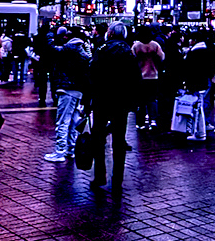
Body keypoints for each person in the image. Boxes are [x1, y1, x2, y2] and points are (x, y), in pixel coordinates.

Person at [85, 21, 142, 190]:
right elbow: (135, 79)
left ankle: (99, 176)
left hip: (101, 100)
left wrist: (88, 100)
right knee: (119, 140)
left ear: (109, 34)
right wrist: (134, 102)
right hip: (121, 102)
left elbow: (91, 76)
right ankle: (117, 179)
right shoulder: (128, 53)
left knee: (98, 139)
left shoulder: (101, 50)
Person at [43, 26, 94, 163]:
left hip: (67, 88)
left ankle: (60, 151)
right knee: (73, 121)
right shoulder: (83, 49)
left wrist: (49, 36)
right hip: (78, 90)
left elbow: (52, 50)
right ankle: (71, 149)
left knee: (63, 121)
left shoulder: (71, 47)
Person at [131, 27, 166, 132]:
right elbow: (162, 57)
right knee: (152, 99)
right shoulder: (155, 45)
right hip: (153, 76)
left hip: (140, 77)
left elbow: (132, 59)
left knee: (140, 101)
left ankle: (140, 122)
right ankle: (153, 120)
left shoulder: (136, 46)